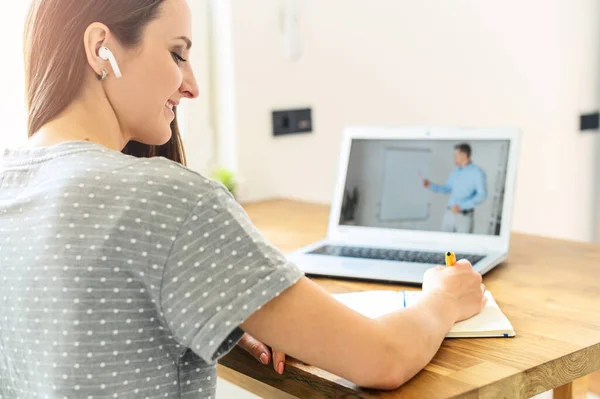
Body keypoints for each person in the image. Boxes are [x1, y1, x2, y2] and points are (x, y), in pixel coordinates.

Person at [0, 0, 486, 397]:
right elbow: (383, 358)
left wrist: (215, 310)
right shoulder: (165, 199)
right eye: (177, 53)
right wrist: (442, 301)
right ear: (101, 47)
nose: (190, 85)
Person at [423, 144, 487, 234]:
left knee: (461, 246)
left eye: (456, 155)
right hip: (449, 214)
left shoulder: (478, 173)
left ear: (464, 155)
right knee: (444, 245)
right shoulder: (455, 171)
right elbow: (447, 188)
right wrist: (431, 185)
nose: (454, 158)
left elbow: (482, 195)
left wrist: (462, 207)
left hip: (464, 217)